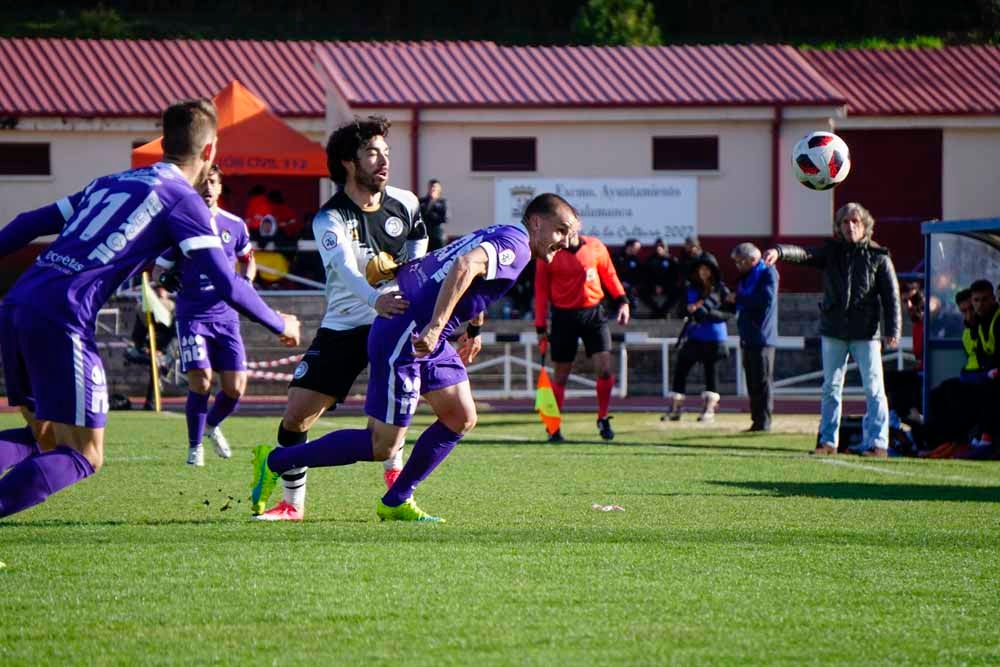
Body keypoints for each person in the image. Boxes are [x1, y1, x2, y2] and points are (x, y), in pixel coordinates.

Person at [0, 98, 300, 519]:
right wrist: (278, 320)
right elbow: (225, 281)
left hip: (17, 303)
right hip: (62, 317)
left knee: (44, 436)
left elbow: (29, 222)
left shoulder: (110, 181)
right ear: (210, 151)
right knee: (85, 454)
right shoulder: (182, 199)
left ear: (164, 144)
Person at [250, 193, 575, 522]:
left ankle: (396, 500)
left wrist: (472, 329)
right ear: (536, 222)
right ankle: (276, 460)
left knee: (460, 416)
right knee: (382, 446)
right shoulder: (518, 246)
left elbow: (464, 271)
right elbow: (465, 266)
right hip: (408, 335)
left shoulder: (504, 233)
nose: (565, 241)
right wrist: (435, 326)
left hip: (426, 333)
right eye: (560, 230)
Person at [255, 115, 427, 522]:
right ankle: (290, 503)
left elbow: (419, 239)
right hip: (346, 326)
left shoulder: (406, 202)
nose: (383, 161)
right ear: (349, 162)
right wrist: (375, 299)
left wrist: (413, 283)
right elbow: (347, 270)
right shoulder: (329, 218)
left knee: (394, 416)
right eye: (372, 153)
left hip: (395, 321)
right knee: (298, 413)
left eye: (386, 152)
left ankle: (399, 499)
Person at [763, 202, 901, 457]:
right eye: (845, 222)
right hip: (834, 331)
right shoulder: (831, 252)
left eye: (855, 221)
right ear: (838, 227)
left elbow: (891, 296)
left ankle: (879, 444)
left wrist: (893, 328)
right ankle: (827, 443)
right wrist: (779, 251)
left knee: (874, 388)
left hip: (866, 334)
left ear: (865, 225)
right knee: (831, 388)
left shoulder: (879, 256)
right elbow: (804, 254)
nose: (850, 226)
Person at [154, 164, 257, 467]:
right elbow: (160, 268)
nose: (207, 188)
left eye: (212, 182)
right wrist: (164, 280)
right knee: (200, 381)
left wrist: (245, 283)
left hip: (226, 317)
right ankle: (194, 447)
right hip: (193, 315)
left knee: (235, 388)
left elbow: (248, 259)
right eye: (202, 183)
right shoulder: (181, 224)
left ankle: (212, 425)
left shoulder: (234, 224)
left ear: (220, 187)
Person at [534, 228, 630, 442]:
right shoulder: (549, 254)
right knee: (561, 375)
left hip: (594, 313)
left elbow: (610, 274)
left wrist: (622, 301)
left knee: (605, 370)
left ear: (577, 225)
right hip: (563, 317)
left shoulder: (595, 246)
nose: (565, 232)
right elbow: (540, 290)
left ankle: (603, 418)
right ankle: (553, 426)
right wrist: (540, 326)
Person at [663, 257, 733, 422]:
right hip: (694, 335)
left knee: (711, 371)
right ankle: (675, 407)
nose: (704, 272)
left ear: (713, 271)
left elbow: (728, 314)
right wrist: (689, 310)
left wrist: (705, 313)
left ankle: (709, 408)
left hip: (714, 336)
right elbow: (680, 311)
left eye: (707, 269)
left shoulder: (720, 290)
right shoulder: (690, 289)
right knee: (681, 369)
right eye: (701, 269)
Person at [726, 243, 778, 432]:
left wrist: (738, 298)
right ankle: (756, 421)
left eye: (740, 261)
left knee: (763, 381)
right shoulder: (745, 278)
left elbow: (766, 301)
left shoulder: (767, 273)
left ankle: (764, 422)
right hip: (748, 336)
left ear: (752, 259)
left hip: (763, 337)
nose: (738, 265)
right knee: (752, 381)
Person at [126, 285, 177, 411]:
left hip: (165, 352)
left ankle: (151, 403)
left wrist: (162, 352)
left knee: (157, 364)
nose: (159, 292)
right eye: (156, 289)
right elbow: (137, 337)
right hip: (147, 351)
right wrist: (145, 349)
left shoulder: (173, 309)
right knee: (129, 352)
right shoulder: (144, 311)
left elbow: (175, 338)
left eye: (162, 289)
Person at [642, 238, 681, 317]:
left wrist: (663, 285)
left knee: (677, 292)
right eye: (657, 246)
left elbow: (674, 276)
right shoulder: (650, 260)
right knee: (642, 291)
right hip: (653, 286)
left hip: (667, 285)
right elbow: (647, 275)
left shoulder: (671, 260)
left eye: (661, 246)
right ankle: (656, 310)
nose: (659, 248)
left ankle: (664, 311)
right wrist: (655, 285)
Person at [419, 179, 449, 251]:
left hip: (438, 236)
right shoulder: (422, 202)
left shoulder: (442, 202)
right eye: (431, 187)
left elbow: (445, 218)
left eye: (435, 187)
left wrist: (431, 215)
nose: (433, 189)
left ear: (439, 189)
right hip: (425, 236)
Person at [615, 239, 643, 312]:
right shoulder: (618, 258)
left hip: (631, 285)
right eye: (636, 248)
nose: (638, 250)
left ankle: (632, 311)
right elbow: (614, 273)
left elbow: (638, 275)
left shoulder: (636, 259)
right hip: (618, 284)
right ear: (629, 247)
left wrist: (634, 284)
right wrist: (621, 282)